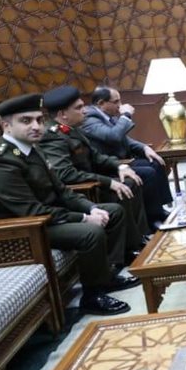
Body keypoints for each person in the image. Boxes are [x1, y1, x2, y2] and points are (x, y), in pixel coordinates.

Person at [0, 93, 133, 316]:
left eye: (39, 120)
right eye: (26, 120)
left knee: (113, 211)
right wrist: (83, 218)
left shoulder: (32, 148)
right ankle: (92, 296)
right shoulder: (0, 161)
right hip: (19, 230)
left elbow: (62, 191)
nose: (36, 126)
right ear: (6, 125)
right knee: (90, 232)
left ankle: (106, 276)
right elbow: (31, 211)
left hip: (46, 218)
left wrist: (90, 208)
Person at [39, 86, 150, 256]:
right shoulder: (52, 137)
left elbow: (96, 157)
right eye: (78, 108)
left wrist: (120, 166)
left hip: (90, 181)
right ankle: (127, 251)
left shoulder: (72, 128)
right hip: (80, 191)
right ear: (62, 114)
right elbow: (66, 175)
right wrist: (108, 182)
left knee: (130, 180)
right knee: (121, 189)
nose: (85, 110)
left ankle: (138, 239)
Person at [81, 85, 172, 225]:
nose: (120, 105)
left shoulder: (106, 115)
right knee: (148, 173)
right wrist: (126, 116)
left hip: (122, 160)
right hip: (108, 165)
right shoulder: (89, 119)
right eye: (116, 102)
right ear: (101, 103)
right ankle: (153, 219)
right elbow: (113, 136)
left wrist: (144, 148)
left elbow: (124, 139)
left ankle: (160, 209)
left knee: (156, 162)